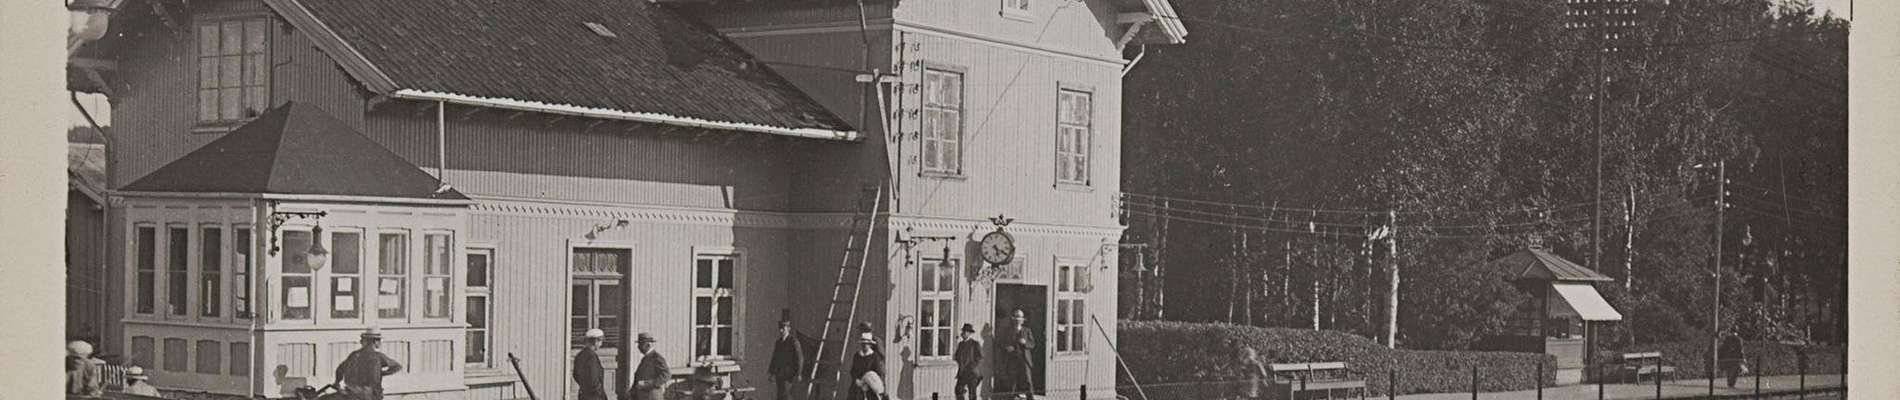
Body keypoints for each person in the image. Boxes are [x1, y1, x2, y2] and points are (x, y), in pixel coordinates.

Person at [334, 327, 403, 400]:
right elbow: (397, 366)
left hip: (352, 392)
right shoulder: (377, 356)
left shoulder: (354, 355)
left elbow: (340, 369)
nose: (380, 342)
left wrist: (337, 382)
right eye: (379, 340)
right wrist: (382, 373)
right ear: (375, 341)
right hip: (370, 395)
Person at [997, 309, 1036, 399]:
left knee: (1027, 380)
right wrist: (1007, 347)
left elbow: (1033, 344)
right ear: (1013, 319)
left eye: (1020, 318)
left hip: (1024, 359)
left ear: (1023, 320)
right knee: (1012, 380)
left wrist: (1025, 342)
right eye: (1016, 318)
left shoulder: (1027, 330)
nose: (1018, 320)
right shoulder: (1008, 331)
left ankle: (1030, 397)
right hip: (1012, 359)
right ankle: (1011, 397)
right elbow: (1001, 343)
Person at [769, 319, 807, 400]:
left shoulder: (793, 342)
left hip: (789, 375)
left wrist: (799, 373)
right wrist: (771, 373)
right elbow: (775, 358)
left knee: (785, 395)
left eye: (783, 328)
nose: (781, 330)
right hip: (779, 374)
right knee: (780, 395)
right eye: (780, 328)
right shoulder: (778, 342)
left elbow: (800, 358)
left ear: (788, 328)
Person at [628, 332, 670, 400]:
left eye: (641, 344)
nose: (638, 347)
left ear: (648, 344)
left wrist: (648, 383)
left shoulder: (656, 358)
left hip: (652, 397)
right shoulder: (645, 358)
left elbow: (666, 375)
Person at [848, 332, 886, 400]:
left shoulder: (874, 356)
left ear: (870, 345)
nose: (865, 345)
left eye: (867, 344)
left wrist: (868, 383)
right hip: (858, 384)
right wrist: (857, 381)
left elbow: (879, 373)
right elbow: (853, 371)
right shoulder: (857, 356)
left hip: (870, 387)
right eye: (863, 344)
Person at [573, 329, 608, 400]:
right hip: (594, 396)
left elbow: (575, 375)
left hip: (583, 394)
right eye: (600, 341)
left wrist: (584, 386)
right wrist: (599, 394)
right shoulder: (592, 357)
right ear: (595, 341)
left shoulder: (579, 355)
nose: (601, 344)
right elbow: (594, 379)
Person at [953, 323, 983, 400]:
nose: (963, 333)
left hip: (972, 373)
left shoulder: (974, 344)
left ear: (969, 333)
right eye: (963, 331)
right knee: (958, 390)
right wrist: (960, 362)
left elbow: (980, 357)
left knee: (972, 393)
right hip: (963, 372)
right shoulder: (961, 344)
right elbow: (956, 356)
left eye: (965, 332)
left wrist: (973, 365)